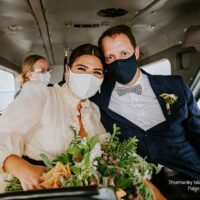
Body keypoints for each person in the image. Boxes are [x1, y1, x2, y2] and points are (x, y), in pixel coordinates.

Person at [91, 25, 200, 199]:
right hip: (142, 183)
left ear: (136, 52)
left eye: (124, 54)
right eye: (110, 57)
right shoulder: (98, 99)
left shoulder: (175, 85)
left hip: (189, 172)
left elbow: (197, 131)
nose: (118, 61)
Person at [0, 44, 107, 192]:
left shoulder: (93, 110)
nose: (89, 77)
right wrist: (24, 170)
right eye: (82, 69)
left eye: (97, 72)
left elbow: (107, 147)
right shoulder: (42, 94)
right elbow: (3, 135)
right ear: (68, 71)